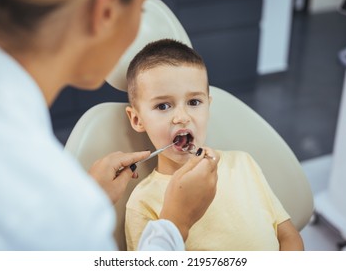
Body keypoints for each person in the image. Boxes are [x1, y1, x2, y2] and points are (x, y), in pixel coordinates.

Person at [0, 0, 219, 250]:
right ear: (106, 11)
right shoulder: (39, 195)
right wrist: (175, 224)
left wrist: (86, 198)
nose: (181, 116)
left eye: (194, 102)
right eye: (141, 9)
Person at [124, 39, 304, 251]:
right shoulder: (142, 203)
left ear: (208, 105)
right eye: (163, 106)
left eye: (194, 102)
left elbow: (288, 235)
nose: (182, 117)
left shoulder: (243, 163)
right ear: (137, 120)